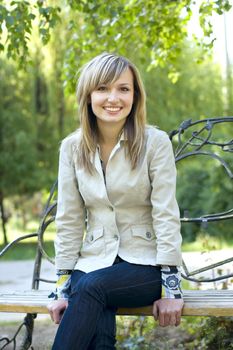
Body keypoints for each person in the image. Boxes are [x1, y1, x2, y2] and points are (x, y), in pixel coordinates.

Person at [47, 52, 184, 350]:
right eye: (103, 88)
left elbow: (166, 213)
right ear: (88, 95)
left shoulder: (155, 143)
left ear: (135, 96)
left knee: (91, 287)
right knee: (93, 298)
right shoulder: (71, 148)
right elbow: (69, 218)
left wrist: (171, 289)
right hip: (95, 258)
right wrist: (60, 289)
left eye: (123, 89)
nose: (113, 98)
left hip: (145, 262)